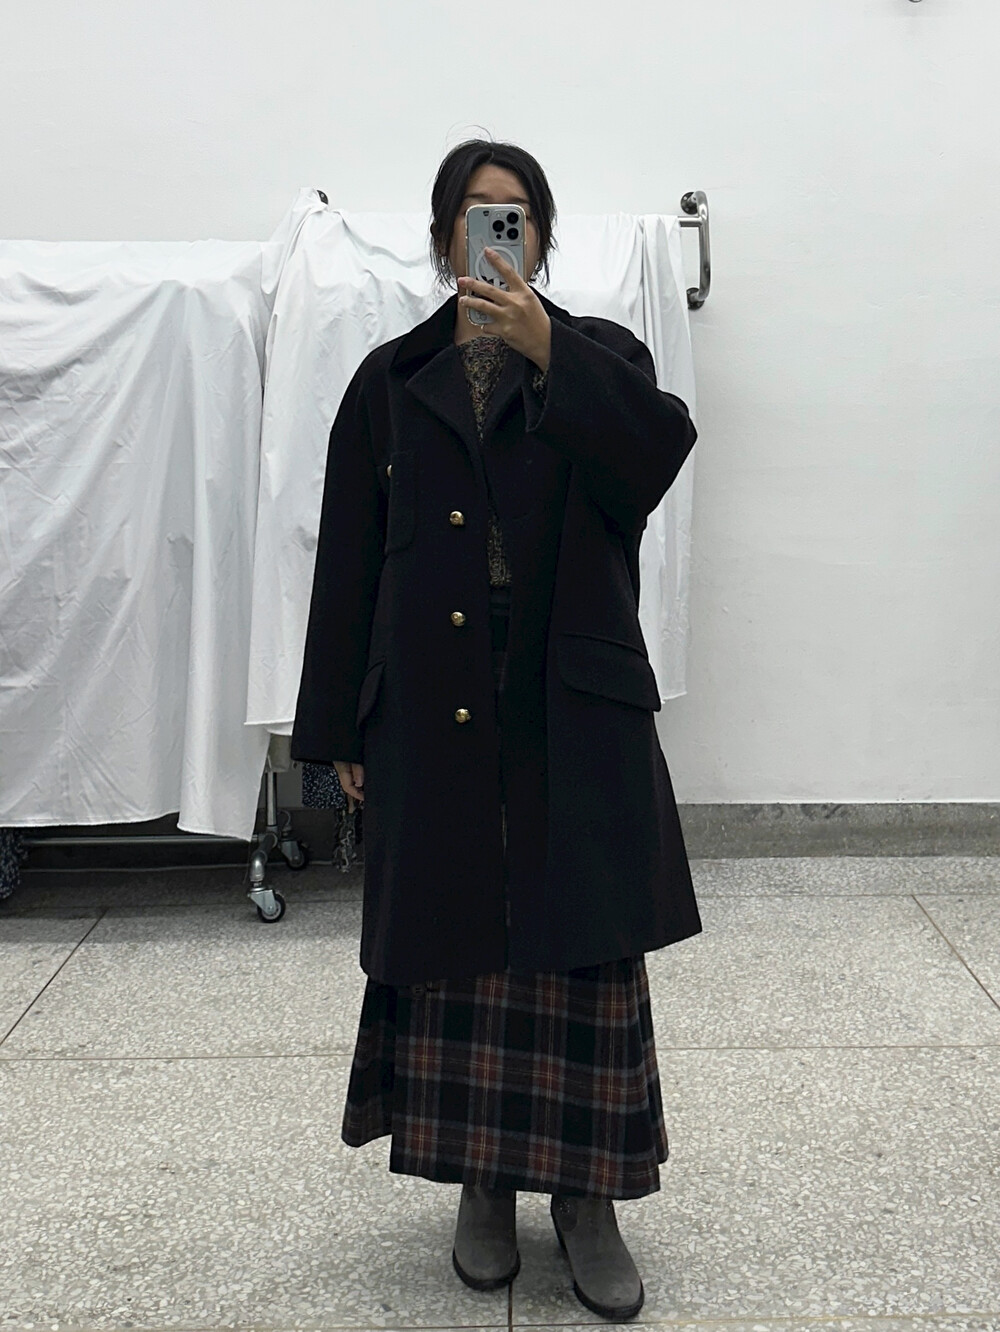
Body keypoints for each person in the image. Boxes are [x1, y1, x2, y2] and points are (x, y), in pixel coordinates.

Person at [290, 138, 702, 1321]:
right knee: (457, 940)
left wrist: (546, 351)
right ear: (442, 240)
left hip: (568, 693)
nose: (495, 234)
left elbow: (656, 453)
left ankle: (588, 1197)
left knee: (581, 945)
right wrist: (337, 733)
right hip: (430, 696)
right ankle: (481, 1181)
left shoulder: (602, 359)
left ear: (542, 238)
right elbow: (350, 564)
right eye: (477, 216)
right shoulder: (388, 383)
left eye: (515, 216)